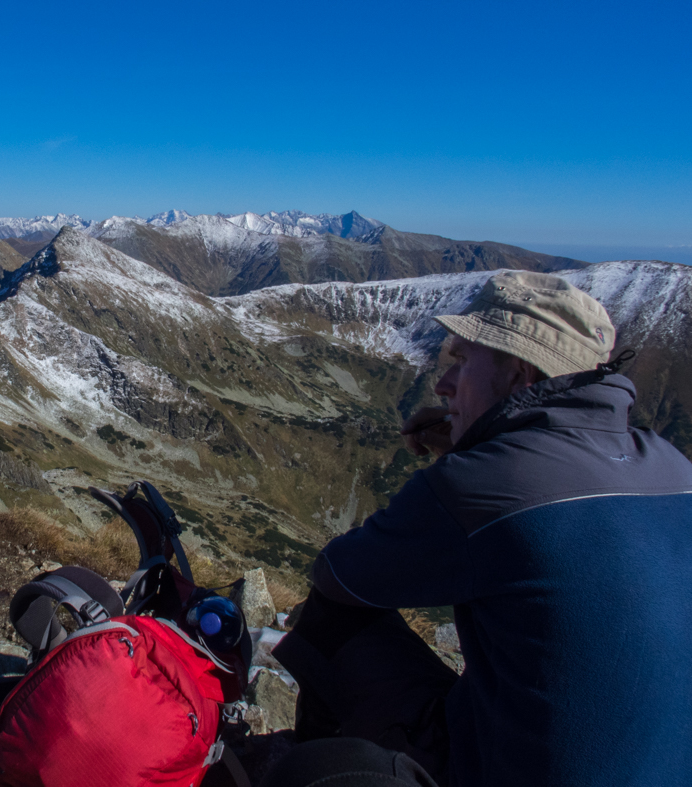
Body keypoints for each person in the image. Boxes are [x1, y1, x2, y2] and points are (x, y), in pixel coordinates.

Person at [270, 271, 692, 787]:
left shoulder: (480, 483)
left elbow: (339, 572)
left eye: (463, 362)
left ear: (518, 376)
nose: (443, 384)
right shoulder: (673, 465)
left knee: (330, 624)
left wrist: (470, 463)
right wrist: (477, 439)